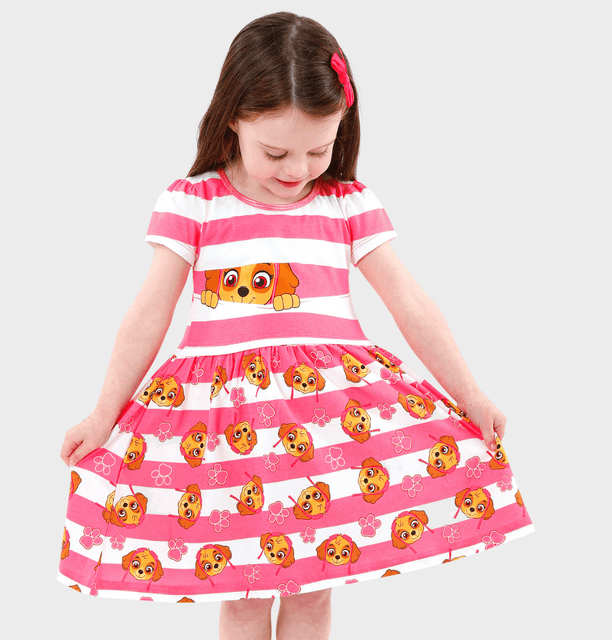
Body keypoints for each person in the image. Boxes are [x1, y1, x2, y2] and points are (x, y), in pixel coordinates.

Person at [58, 11, 533, 640]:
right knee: (243, 597)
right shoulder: (192, 202)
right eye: (276, 152)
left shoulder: (347, 203)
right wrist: (103, 413)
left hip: (329, 423)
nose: (298, 169)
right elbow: (149, 313)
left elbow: (410, 303)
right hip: (227, 433)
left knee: (312, 595)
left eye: (319, 149)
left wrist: (470, 394)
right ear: (233, 117)